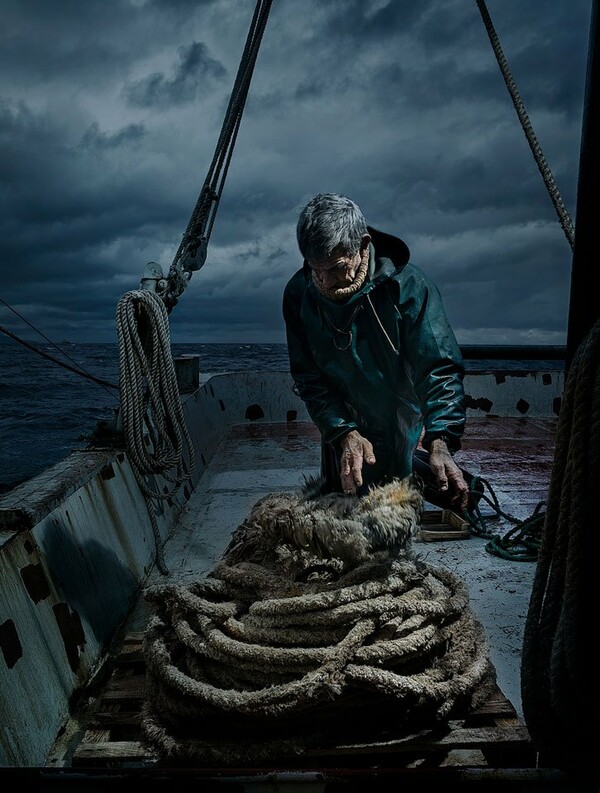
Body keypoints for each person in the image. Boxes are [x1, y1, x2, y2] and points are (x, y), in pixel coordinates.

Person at [282, 192, 470, 512]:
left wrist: (441, 437)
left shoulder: (409, 287)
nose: (324, 281)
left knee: (399, 503)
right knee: (343, 503)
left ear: (363, 245)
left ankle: (423, 464)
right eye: (316, 268)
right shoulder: (299, 294)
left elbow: (437, 367)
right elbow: (309, 377)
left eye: (335, 267)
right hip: (340, 419)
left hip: (399, 417)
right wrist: (342, 432)